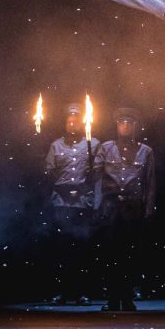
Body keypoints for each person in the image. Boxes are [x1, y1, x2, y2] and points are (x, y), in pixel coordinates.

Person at [96, 107, 155, 311]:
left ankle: (127, 297)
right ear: (117, 125)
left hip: (133, 208)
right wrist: (97, 205)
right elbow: (96, 179)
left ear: (135, 126)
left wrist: (149, 209)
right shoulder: (105, 148)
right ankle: (113, 298)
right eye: (122, 122)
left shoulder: (145, 151)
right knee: (111, 253)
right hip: (111, 207)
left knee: (131, 253)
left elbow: (150, 183)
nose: (125, 126)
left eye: (129, 123)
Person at [44, 101, 102, 304]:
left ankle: (81, 292)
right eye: (69, 121)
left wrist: (93, 200)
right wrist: (64, 189)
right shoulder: (56, 145)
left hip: (83, 203)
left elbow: (98, 176)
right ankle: (62, 291)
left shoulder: (93, 144)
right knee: (62, 248)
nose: (72, 124)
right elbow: (49, 172)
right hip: (62, 203)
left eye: (75, 121)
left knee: (82, 248)